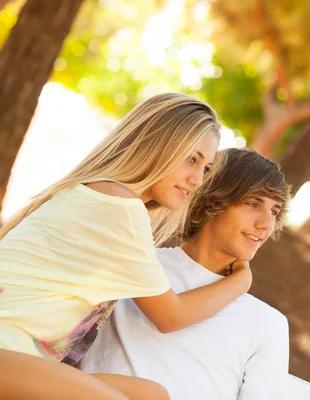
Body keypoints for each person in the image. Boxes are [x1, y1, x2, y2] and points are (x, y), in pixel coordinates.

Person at [0, 93, 253, 400]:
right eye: (191, 159)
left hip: (21, 356)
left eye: (206, 168)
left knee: (151, 395)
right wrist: (241, 280)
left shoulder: (102, 193)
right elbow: (170, 316)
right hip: (7, 347)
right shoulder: (118, 204)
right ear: (156, 144)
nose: (198, 179)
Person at [82, 148, 291, 400]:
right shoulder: (138, 261)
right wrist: (239, 282)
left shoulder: (268, 324)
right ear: (213, 198)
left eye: (274, 211)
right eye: (253, 203)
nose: (266, 225)